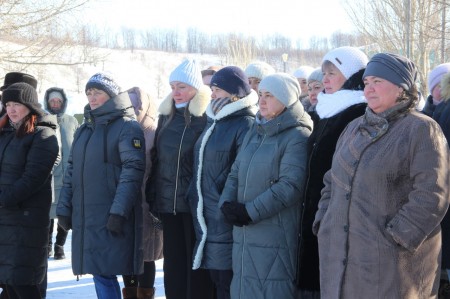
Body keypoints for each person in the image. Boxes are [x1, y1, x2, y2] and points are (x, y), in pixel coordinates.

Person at [313, 52, 449, 298]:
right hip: (340, 260)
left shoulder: (421, 129)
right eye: (366, 82)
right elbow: (331, 180)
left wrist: (395, 239)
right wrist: (324, 222)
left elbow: (432, 194)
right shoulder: (353, 128)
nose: (369, 89)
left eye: (378, 81)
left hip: (394, 268)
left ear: (401, 88)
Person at [219, 73, 313, 298]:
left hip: (275, 236)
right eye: (260, 94)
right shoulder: (256, 130)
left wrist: (249, 211)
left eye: (269, 96)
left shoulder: (297, 135)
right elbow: (235, 172)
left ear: (287, 99)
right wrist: (227, 204)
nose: (261, 100)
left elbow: (290, 186)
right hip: (244, 234)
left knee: (271, 290)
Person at [56, 72, 146, 299]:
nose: (92, 98)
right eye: (89, 93)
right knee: (99, 273)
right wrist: (64, 208)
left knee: (105, 273)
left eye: (98, 93)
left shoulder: (127, 127)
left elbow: (132, 171)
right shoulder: (84, 129)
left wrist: (119, 211)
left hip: (111, 213)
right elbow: (71, 171)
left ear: (111, 95)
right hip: (88, 215)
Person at [296, 46, 368, 298]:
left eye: (332, 73)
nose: (325, 79)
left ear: (351, 76)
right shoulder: (326, 110)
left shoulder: (358, 112)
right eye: (324, 72)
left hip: (338, 213)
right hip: (315, 210)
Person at [146, 59, 214, 299]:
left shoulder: (206, 117)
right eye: (173, 85)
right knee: (173, 266)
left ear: (195, 88)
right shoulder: (166, 117)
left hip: (194, 206)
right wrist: (153, 195)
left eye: (182, 86)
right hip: (168, 205)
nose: (176, 91)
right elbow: (157, 159)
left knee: (195, 268)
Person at [189, 66, 258, 299]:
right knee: (216, 280)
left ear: (234, 94)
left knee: (226, 282)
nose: (212, 94)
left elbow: (241, 170)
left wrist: (221, 195)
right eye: (212, 89)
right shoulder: (215, 119)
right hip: (206, 212)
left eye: (217, 90)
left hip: (223, 212)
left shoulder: (245, 123)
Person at [0, 82, 59, 299]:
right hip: (5, 220)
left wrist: (3, 199)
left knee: (22, 283)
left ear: (30, 106)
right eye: (7, 104)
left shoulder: (43, 135)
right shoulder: (6, 133)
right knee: (8, 285)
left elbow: (32, 179)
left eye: (17, 103)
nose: (11, 109)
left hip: (26, 221)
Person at [121, 87, 163, 299]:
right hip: (126, 203)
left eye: (134, 105)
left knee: (147, 256)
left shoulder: (154, 134)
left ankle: (145, 295)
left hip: (148, 205)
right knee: (127, 255)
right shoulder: (121, 131)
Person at [43, 87, 78, 260]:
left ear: (63, 103)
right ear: (47, 102)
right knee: (48, 214)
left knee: (64, 213)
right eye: (52, 101)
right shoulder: (41, 121)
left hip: (68, 176)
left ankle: (59, 246)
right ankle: (47, 244)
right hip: (49, 176)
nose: (55, 104)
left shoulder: (71, 121)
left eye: (58, 101)